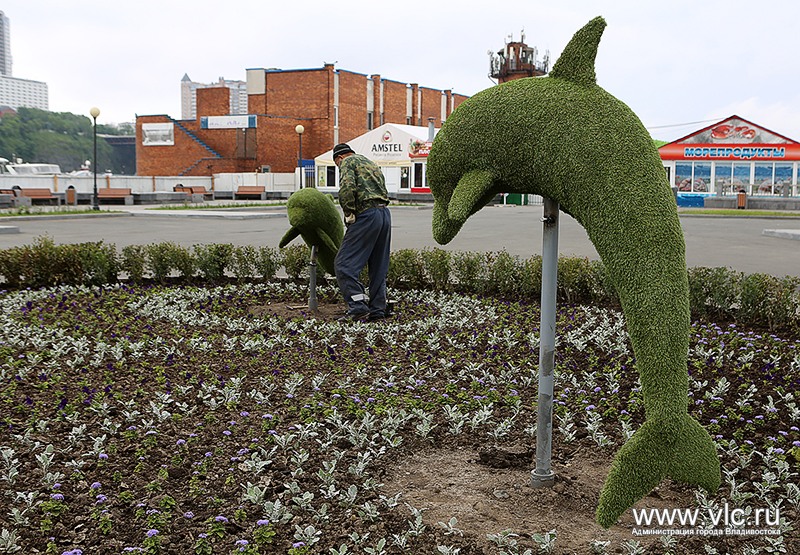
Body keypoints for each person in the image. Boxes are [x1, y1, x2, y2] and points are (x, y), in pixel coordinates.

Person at [332, 143, 391, 322]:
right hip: (384, 215)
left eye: (336, 165)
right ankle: (378, 310)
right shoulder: (370, 163)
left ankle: (357, 306)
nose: (338, 167)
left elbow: (347, 189)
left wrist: (349, 212)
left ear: (339, 158)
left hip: (366, 215)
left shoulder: (347, 163)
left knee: (344, 264)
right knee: (378, 266)